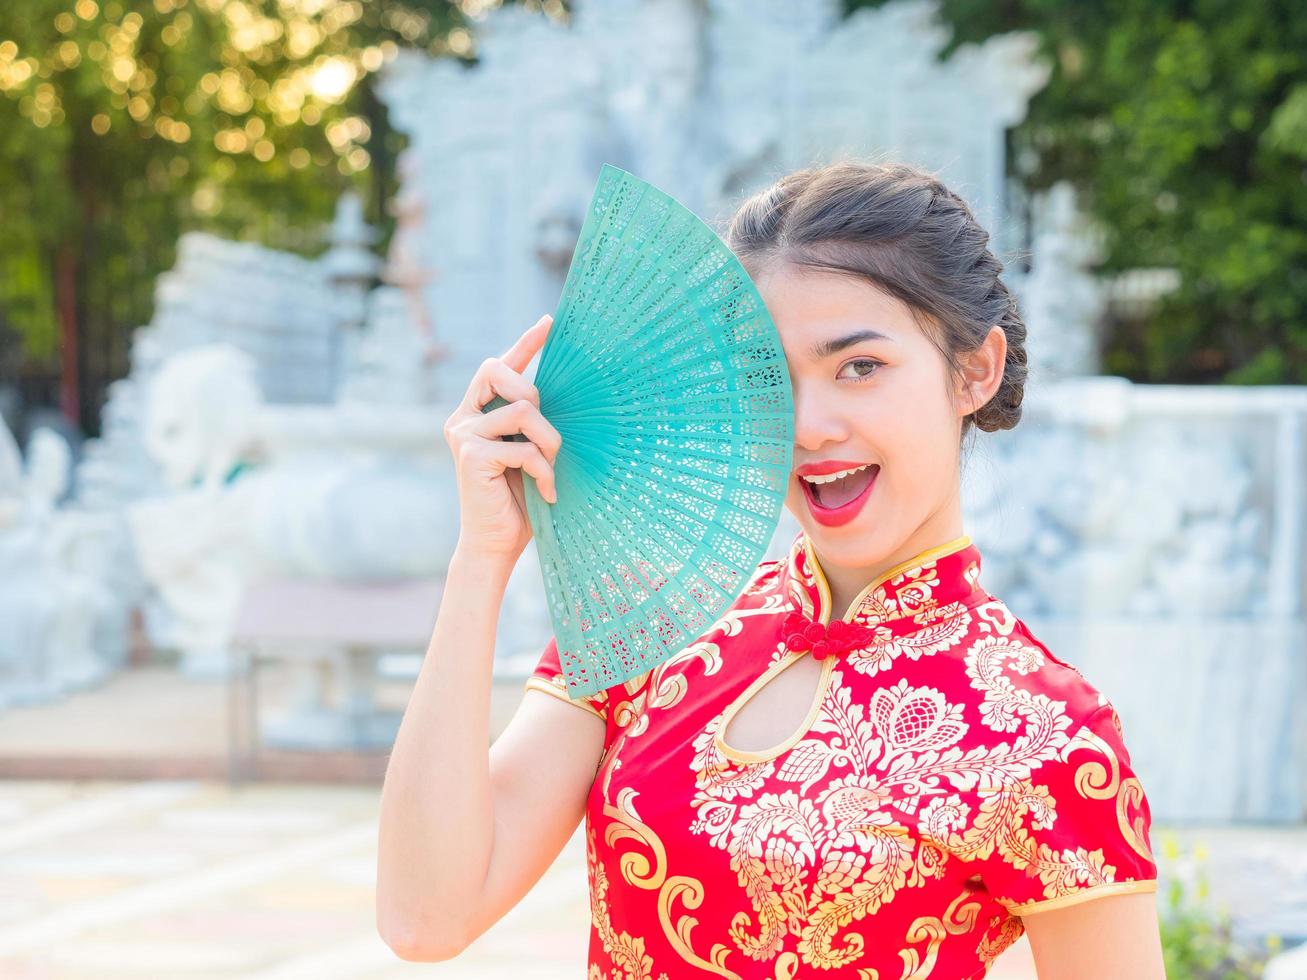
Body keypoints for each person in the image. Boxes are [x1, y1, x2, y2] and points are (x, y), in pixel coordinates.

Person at [375, 160, 1166, 977]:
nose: (809, 427)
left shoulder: (1043, 731)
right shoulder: (653, 621)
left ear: (973, 371)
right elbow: (424, 917)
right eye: (771, 384)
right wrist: (482, 558)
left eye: (858, 367)